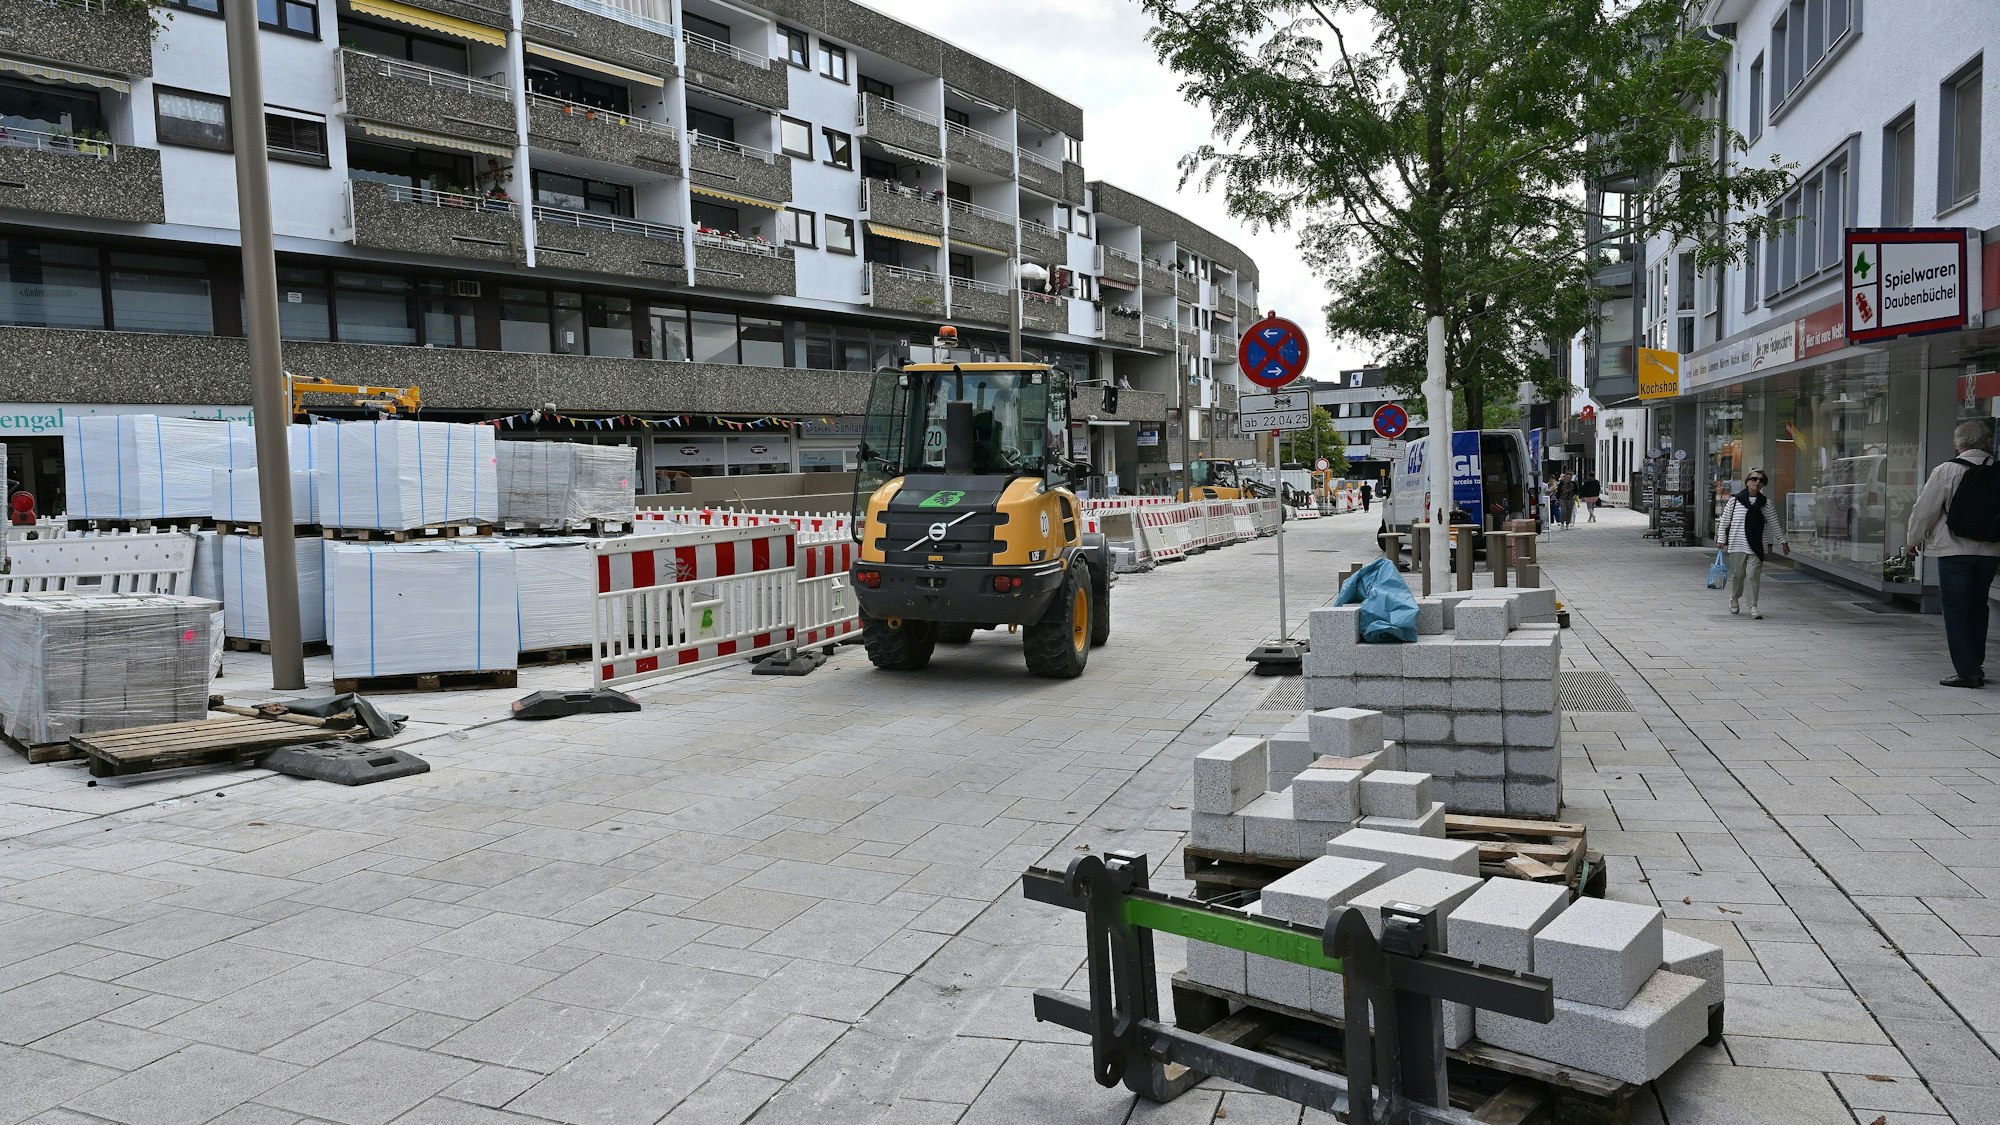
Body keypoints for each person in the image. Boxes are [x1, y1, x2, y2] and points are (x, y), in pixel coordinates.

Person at [1906, 421, 2000, 688]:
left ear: (1957, 444)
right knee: (1978, 607)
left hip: (1953, 550)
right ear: (1988, 442)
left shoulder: (1946, 470)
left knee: (1956, 610)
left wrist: (1913, 540)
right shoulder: (1998, 470)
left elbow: (1924, 510)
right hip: (1991, 551)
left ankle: (1968, 672)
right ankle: (1975, 663)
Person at [1716, 468, 1788, 619]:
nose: (1757, 482)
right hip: (1737, 544)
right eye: (1754, 479)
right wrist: (1721, 539)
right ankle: (1734, 598)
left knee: (1752, 575)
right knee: (1738, 575)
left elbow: (1774, 523)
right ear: (1747, 482)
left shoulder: (1765, 503)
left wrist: (1783, 542)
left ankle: (1753, 606)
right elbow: (1724, 522)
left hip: (1757, 545)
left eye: (1761, 480)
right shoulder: (1735, 500)